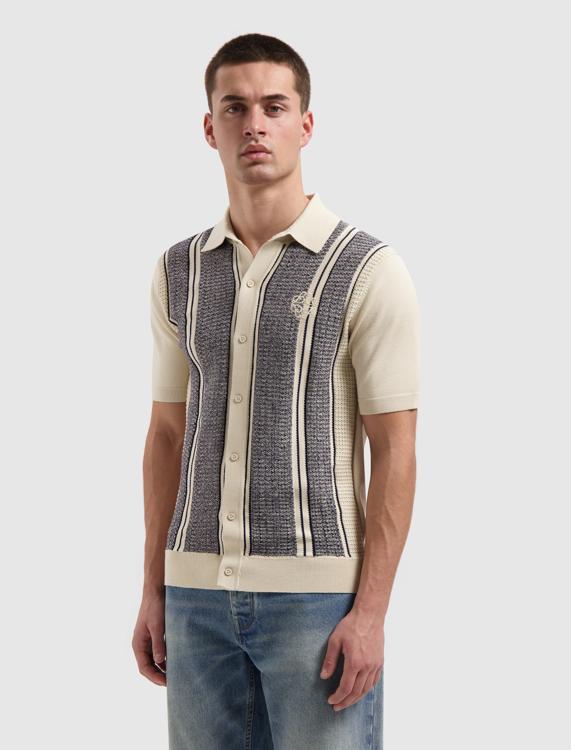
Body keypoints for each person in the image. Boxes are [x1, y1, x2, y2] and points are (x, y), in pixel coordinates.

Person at [132, 32, 420, 750]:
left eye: (273, 106)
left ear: (305, 124)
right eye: (234, 107)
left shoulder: (366, 269)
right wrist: (154, 587)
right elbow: (167, 434)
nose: (254, 124)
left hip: (318, 601)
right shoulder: (178, 270)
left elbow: (395, 449)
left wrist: (370, 613)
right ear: (210, 128)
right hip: (194, 598)